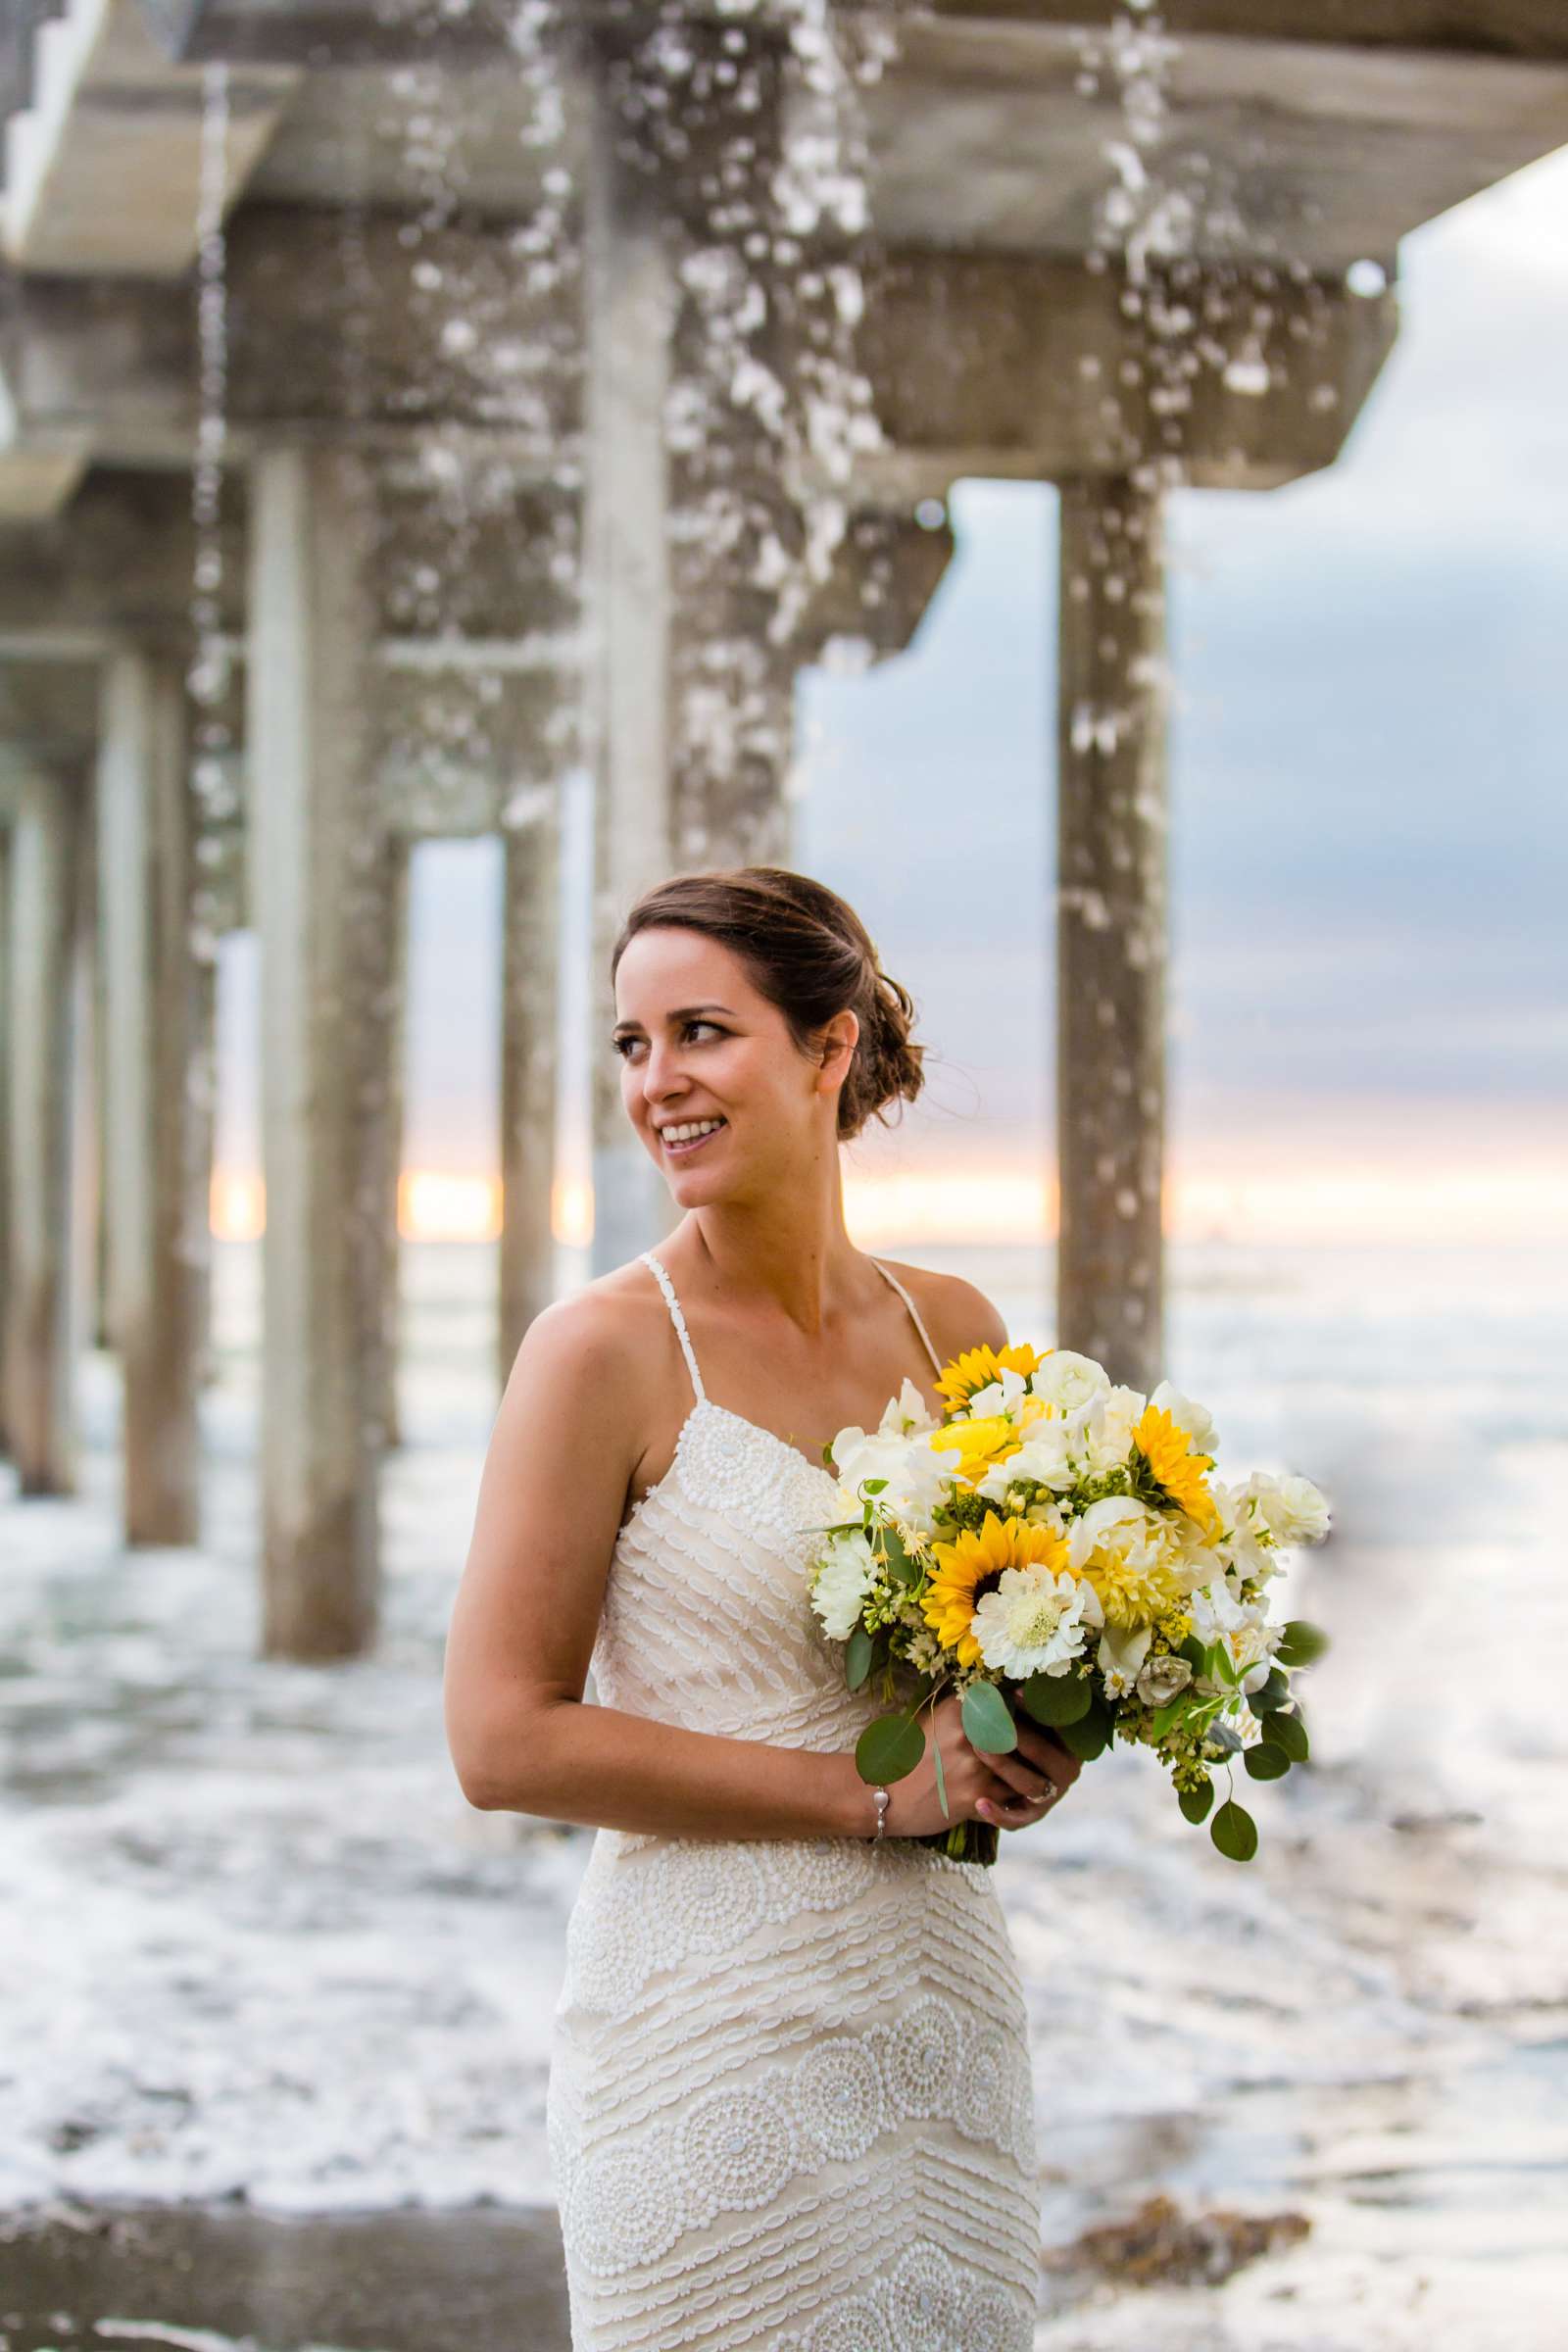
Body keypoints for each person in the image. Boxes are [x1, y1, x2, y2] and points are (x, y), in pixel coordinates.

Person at [443, 865, 1080, 2349]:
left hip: (941, 2031)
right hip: (703, 2047)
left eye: (700, 1033)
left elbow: (1021, 1654)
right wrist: (876, 1797)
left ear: (829, 1044)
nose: (656, 1082)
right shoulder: (598, 1352)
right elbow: (499, 1741)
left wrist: (1033, 1742)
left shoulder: (963, 1332)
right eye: (631, 1044)